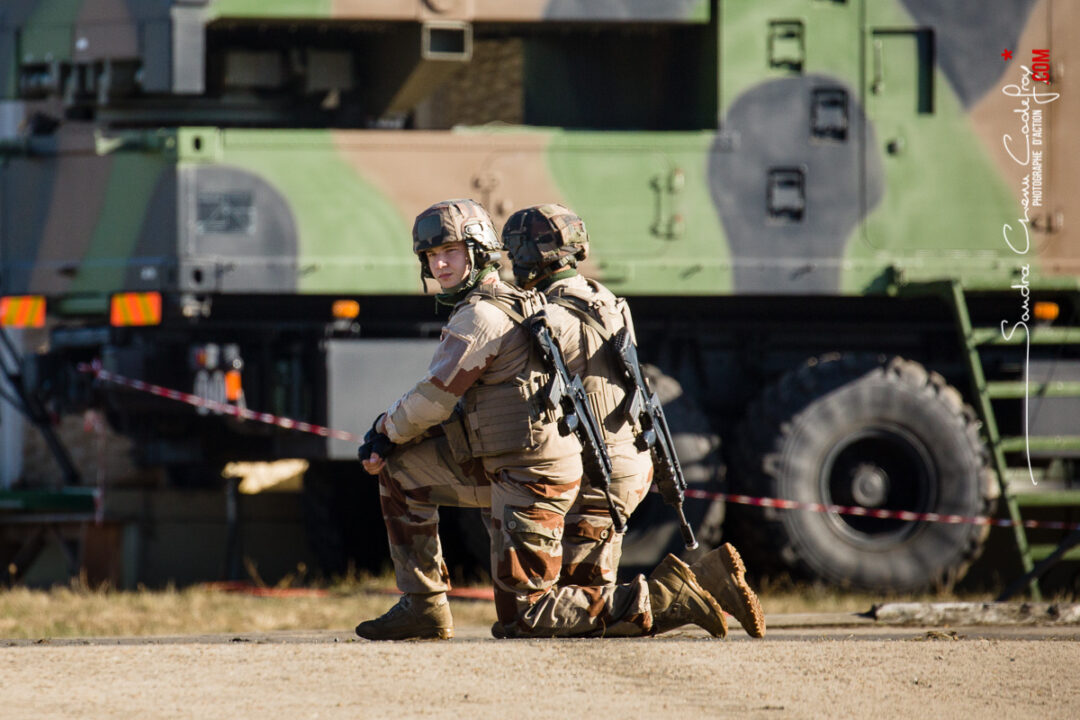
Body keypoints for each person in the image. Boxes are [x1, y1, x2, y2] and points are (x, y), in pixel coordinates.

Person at [355, 198, 729, 640]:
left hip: (543, 469)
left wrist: (385, 431)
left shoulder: (499, 312)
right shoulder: (602, 302)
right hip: (602, 462)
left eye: (449, 253)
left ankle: (671, 596)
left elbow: (436, 398)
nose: (439, 265)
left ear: (485, 252)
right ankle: (424, 609)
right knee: (583, 602)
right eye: (432, 257)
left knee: (526, 617)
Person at [501, 203, 765, 638]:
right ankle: (710, 582)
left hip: (594, 468)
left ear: (529, 255)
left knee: (566, 612)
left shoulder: (547, 316)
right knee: (591, 606)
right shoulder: (607, 300)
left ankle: (686, 591)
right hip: (629, 462)